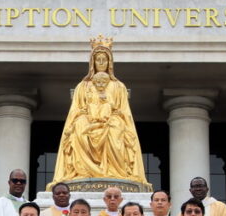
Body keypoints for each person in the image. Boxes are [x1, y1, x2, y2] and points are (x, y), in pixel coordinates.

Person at [49, 35, 150, 190]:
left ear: (110, 62)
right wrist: (88, 117)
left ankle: (116, 172)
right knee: (80, 126)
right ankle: (85, 170)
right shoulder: (83, 86)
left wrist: (109, 115)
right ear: (92, 63)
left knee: (116, 127)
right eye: (98, 59)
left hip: (111, 120)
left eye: (105, 59)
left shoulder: (118, 86)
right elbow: (76, 110)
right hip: (88, 119)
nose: (101, 63)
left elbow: (124, 112)